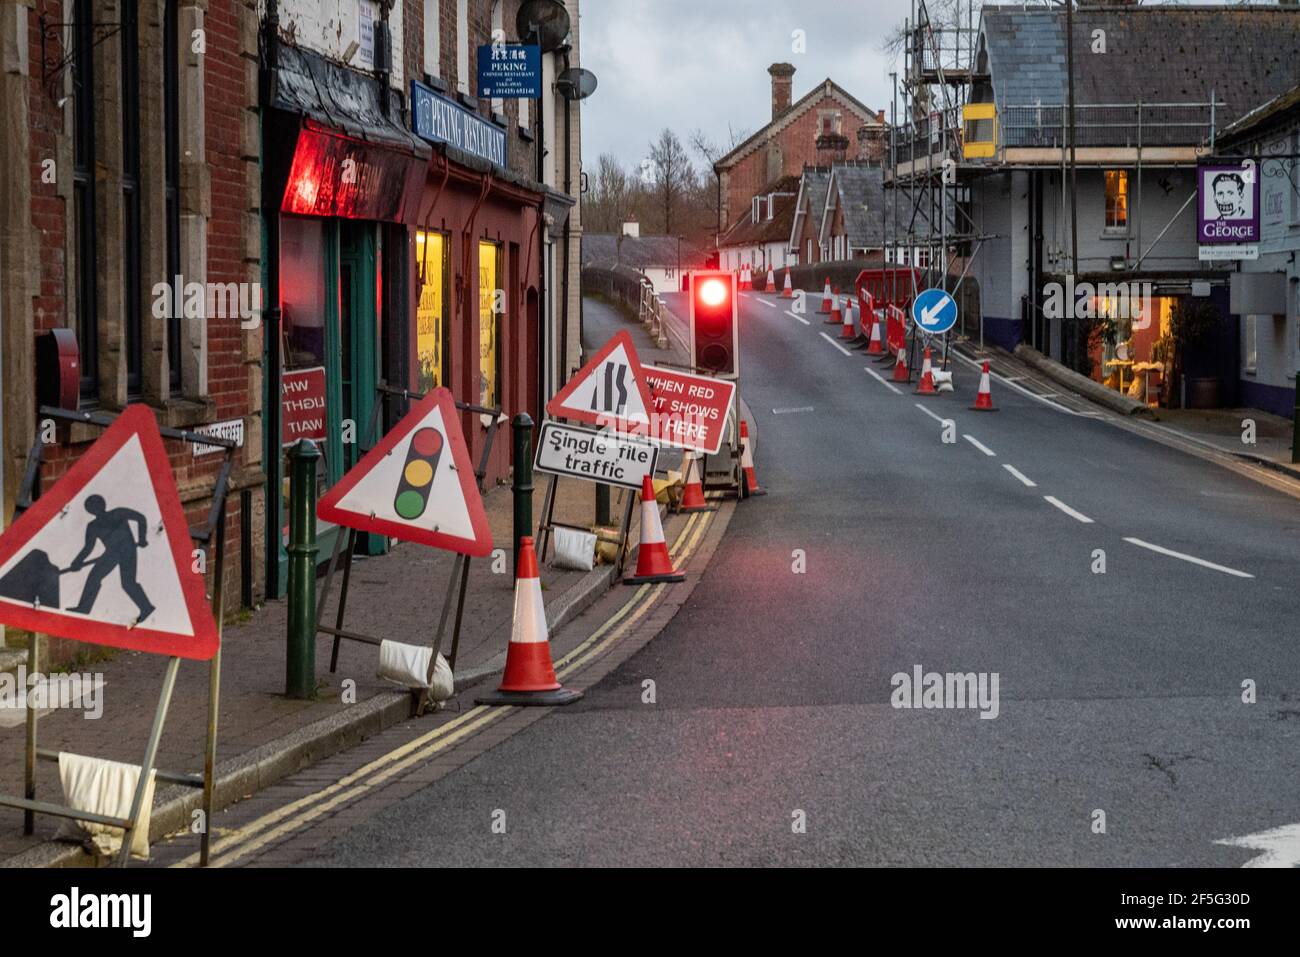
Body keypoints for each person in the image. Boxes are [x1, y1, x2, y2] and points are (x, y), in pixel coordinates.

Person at [66, 494, 156, 625]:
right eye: (92, 507)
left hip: (127, 549)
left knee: (127, 583)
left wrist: (142, 538)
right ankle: (84, 607)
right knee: (94, 577)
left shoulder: (118, 512)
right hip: (112, 553)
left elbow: (140, 518)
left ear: (102, 504)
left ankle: (146, 607)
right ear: (90, 510)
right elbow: (88, 547)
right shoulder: (93, 526)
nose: (96, 508)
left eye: (97, 505)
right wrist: (77, 561)